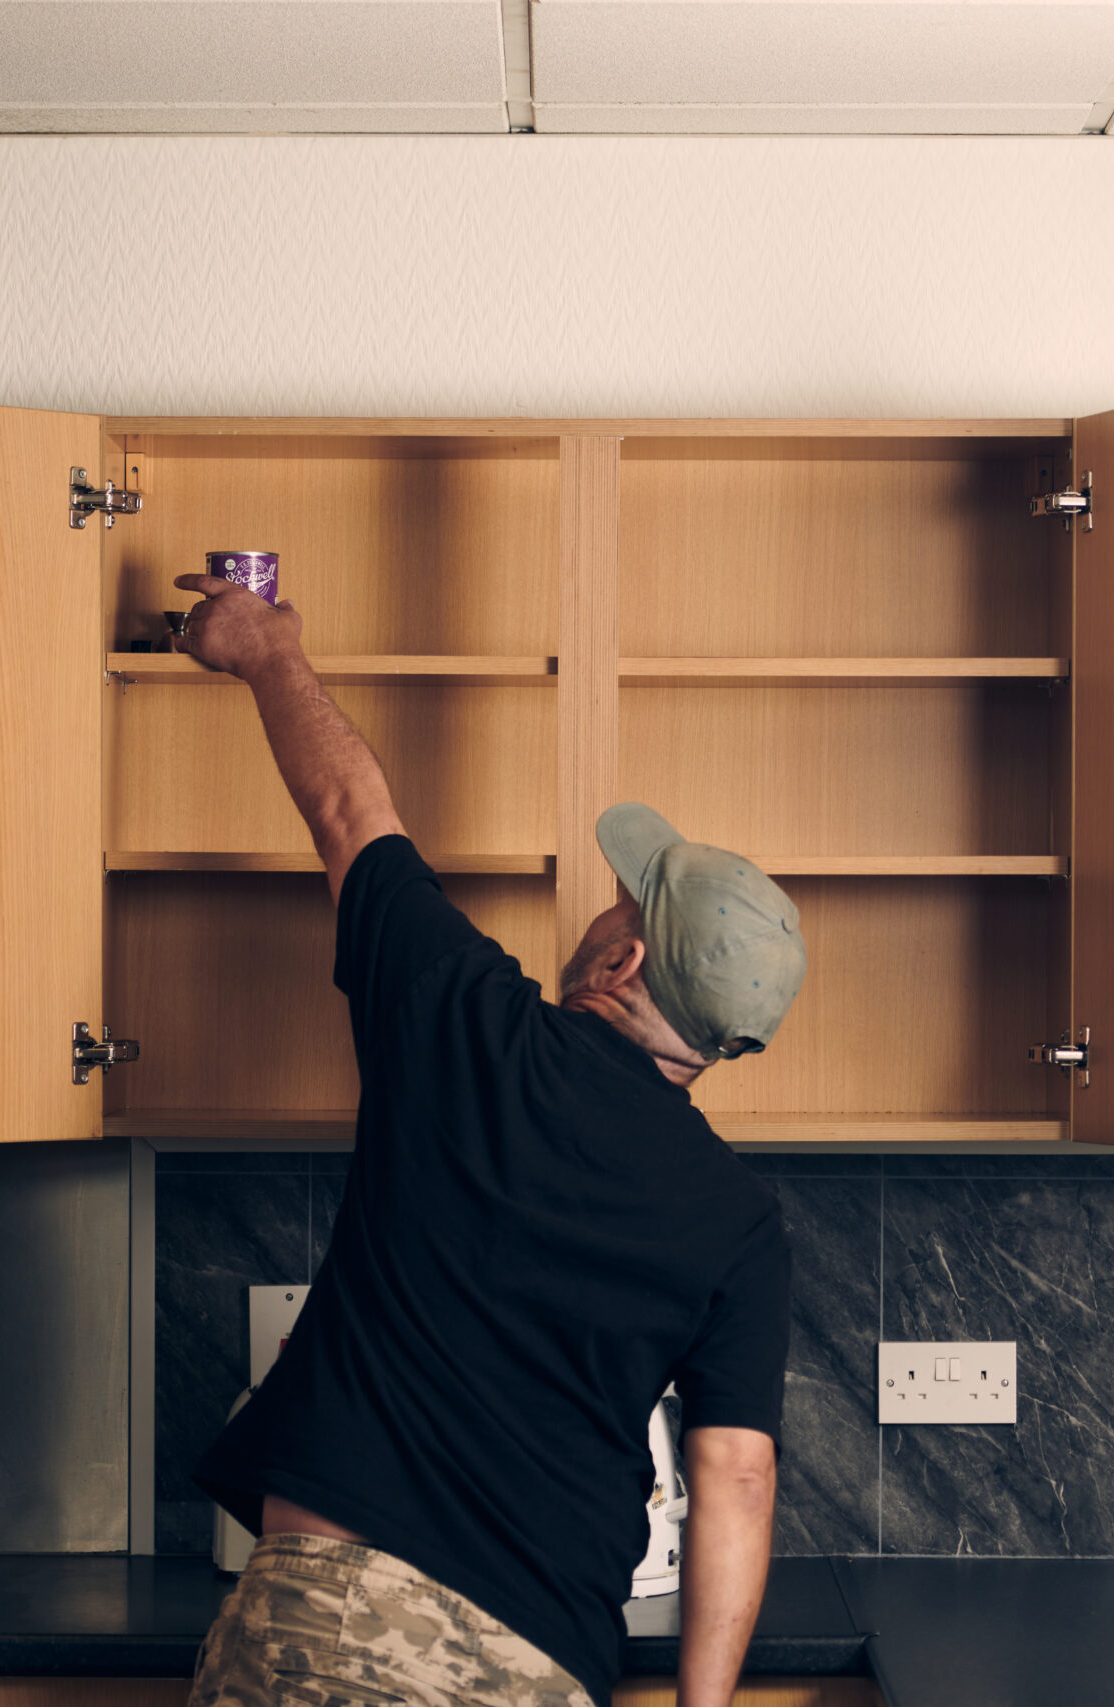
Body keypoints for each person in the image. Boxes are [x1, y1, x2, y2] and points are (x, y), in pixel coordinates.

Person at [173, 570, 807, 1707]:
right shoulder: (739, 1224)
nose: (602, 914)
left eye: (620, 908)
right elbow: (737, 1477)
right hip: (540, 1668)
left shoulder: (474, 1024)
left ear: (623, 965)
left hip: (332, 1633)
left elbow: (350, 813)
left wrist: (266, 652)